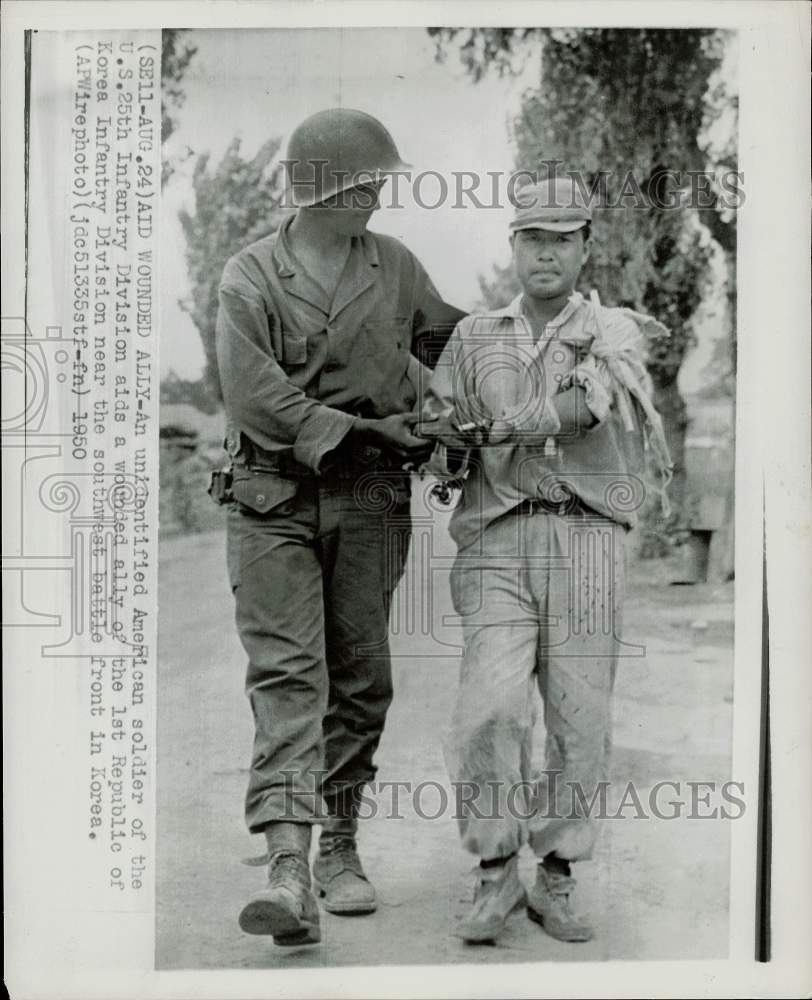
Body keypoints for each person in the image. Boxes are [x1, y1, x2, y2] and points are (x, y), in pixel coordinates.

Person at [215, 108, 464, 945]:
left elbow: (451, 342)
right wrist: (363, 429)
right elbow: (260, 402)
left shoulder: (394, 268)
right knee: (290, 676)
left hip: (369, 501)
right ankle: (290, 865)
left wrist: (537, 343)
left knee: (361, 677)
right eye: (369, 186)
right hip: (269, 500)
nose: (379, 200)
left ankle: (341, 847)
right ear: (329, 189)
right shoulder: (247, 278)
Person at [418, 176, 672, 945]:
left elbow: (587, 404)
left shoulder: (615, 328)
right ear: (514, 246)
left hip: (589, 538)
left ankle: (556, 875)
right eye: (534, 238)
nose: (547, 253)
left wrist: (499, 424)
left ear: (586, 246)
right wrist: (447, 445)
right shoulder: (473, 337)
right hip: (497, 539)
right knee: (488, 708)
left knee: (580, 716)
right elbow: (439, 441)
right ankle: (494, 875)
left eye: (563, 239)